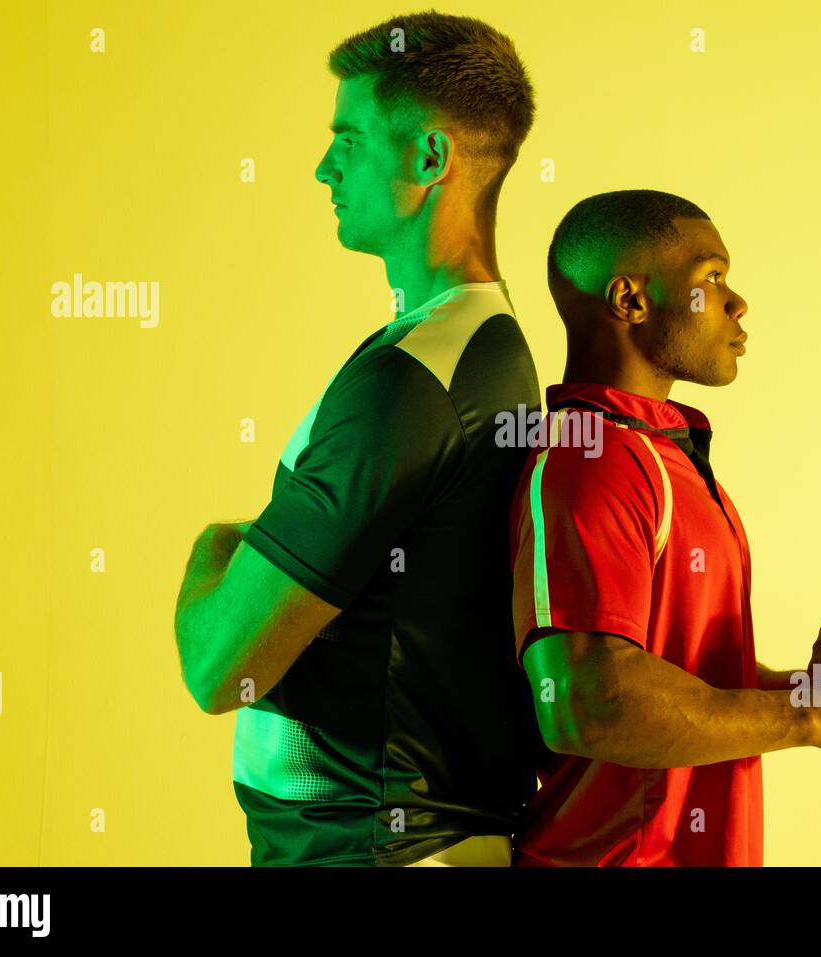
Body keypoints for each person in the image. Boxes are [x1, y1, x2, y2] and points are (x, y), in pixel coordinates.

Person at [175, 11, 541, 867]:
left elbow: (221, 665)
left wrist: (211, 549)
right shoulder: (465, 351)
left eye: (348, 136)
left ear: (426, 159)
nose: (322, 165)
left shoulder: (411, 382)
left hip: (377, 850)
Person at [508, 189, 821, 865]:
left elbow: (677, 671)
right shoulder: (590, 458)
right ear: (631, 301)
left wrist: (815, 693)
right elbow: (588, 700)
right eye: (711, 278)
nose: (737, 302)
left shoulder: (664, 458)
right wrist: (814, 719)